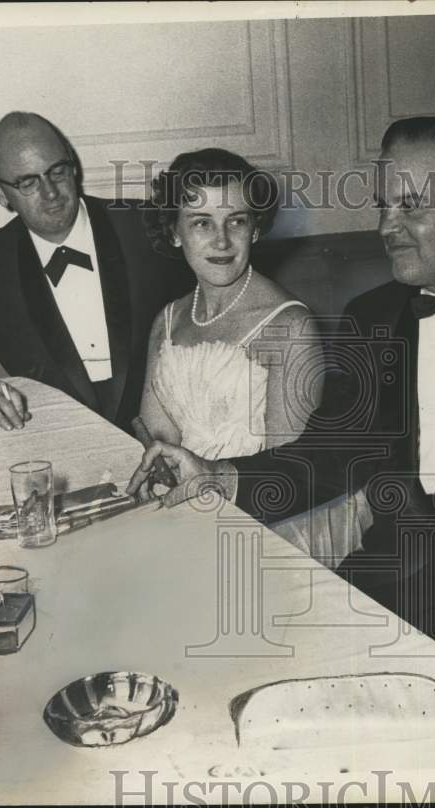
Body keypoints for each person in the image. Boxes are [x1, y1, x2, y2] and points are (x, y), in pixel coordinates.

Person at [127, 117, 435, 639]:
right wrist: (218, 478)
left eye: (410, 205)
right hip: (395, 564)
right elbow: (329, 455)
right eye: (383, 205)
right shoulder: (371, 316)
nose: (387, 227)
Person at [133, 148, 372, 566]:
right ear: (174, 231)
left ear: (256, 230)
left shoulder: (289, 326)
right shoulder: (167, 320)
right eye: (201, 223)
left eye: (236, 221)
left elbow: (294, 478)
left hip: (268, 525)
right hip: (190, 506)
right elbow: (159, 435)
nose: (222, 241)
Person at [0, 111, 192, 433]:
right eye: (28, 182)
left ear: (73, 166)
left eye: (57, 172)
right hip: (59, 446)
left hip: (170, 434)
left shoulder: (146, 226)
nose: (50, 193)